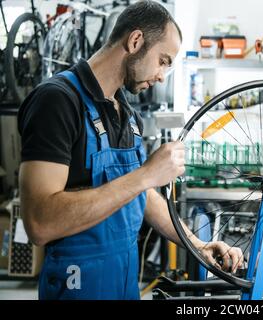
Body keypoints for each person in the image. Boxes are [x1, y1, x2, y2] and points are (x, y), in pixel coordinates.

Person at [17, 0, 243, 300]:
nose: (163, 75)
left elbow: (142, 194)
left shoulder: (126, 112)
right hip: (78, 286)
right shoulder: (57, 101)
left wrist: (196, 245)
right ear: (135, 41)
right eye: (163, 60)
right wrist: (147, 174)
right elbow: (39, 223)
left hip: (124, 281)